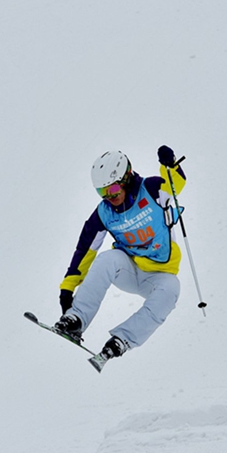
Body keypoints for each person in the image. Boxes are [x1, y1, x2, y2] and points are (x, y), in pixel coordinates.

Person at [55, 145, 185, 364]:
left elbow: (175, 185)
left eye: (113, 189)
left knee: (172, 289)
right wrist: (68, 287)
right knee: (107, 259)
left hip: (159, 274)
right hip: (129, 270)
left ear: (126, 178)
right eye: (102, 192)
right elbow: (85, 249)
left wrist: (170, 164)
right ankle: (76, 319)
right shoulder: (104, 213)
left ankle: (122, 340)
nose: (109, 196)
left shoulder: (151, 190)